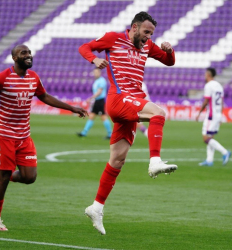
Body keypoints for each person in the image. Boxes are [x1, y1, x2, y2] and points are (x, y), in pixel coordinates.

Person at [78, 11, 178, 234]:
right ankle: (154, 161)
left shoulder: (148, 46)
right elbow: (84, 47)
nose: (148, 37)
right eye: (145, 32)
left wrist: (170, 51)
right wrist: (93, 59)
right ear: (134, 27)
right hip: (118, 98)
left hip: (132, 102)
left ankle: (96, 207)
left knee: (117, 159)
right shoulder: (114, 38)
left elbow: (169, 62)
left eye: (151, 33)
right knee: (158, 113)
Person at [0, 44, 88, 231]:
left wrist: (71, 107)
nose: (29, 55)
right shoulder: (2, 77)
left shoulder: (33, 77)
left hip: (24, 135)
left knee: (29, 176)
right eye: (24, 53)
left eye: (29, 53)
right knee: (5, 177)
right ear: (15, 58)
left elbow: (45, 97)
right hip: (4, 135)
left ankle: (0, 175)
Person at [196, 68, 231, 166]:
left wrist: (199, 113)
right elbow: (222, 102)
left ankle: (225, 152)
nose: (204, 76)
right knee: (210, 137)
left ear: (208, 74)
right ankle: (209, 160)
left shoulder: (208, 85)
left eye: (205, 74)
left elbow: (206, 101)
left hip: (211, 115)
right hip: (217, 114)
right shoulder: (219, 86)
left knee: (206, 138)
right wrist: (221, 115)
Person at [77, 68, 112, 139]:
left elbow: (99, 92)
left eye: (97, 72)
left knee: (103, 117)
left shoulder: (102, 81)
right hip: (97, 101)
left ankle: (110, 134)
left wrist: (91, 98)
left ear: (100, 73)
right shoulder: (97, 81)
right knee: (91, 116)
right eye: (94, 72)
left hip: (100, 101)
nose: (95, 74)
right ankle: (84, 132)